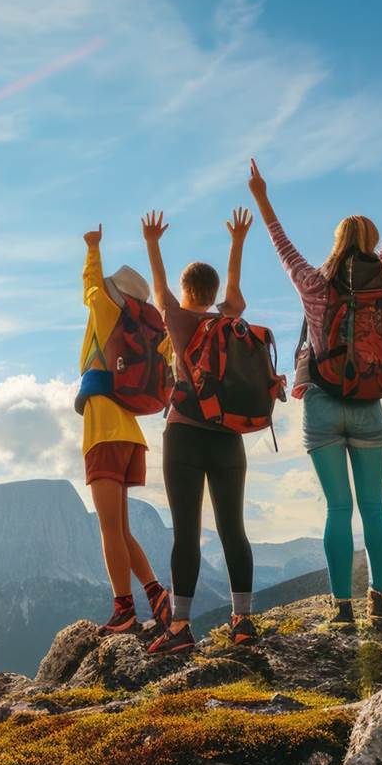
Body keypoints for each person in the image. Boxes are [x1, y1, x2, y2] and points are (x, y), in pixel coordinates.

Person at [247, 157, 382, 631]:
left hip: (322, 404)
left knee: (338, 508)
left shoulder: (314, 284)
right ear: (368, 242)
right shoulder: (380, 274)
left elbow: (281, 244)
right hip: (369, 403)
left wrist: (261, 196)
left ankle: (341, 608)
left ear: (337, 242)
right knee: (375, 506)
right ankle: (378, 599)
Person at [141, 208, 258, 653]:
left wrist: (153, 242)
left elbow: (157, 283)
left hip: (185, 434)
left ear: (187, 290)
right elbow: (234, 289)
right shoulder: (228, 318)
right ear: (211, 292)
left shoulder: (177, 317)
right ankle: (243, 620)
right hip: (229, 437)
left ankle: (180, 628)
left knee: (186, 533)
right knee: (234, 530)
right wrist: (238, 241)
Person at [79, 224, 171, 635]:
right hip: (132, 434)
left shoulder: (106, 313)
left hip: (102, 428)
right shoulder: (147, 333)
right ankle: (156, 594)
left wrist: (93, 248)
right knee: (122, 529)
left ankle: (124, 610)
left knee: (108, 529)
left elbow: (90, 286)